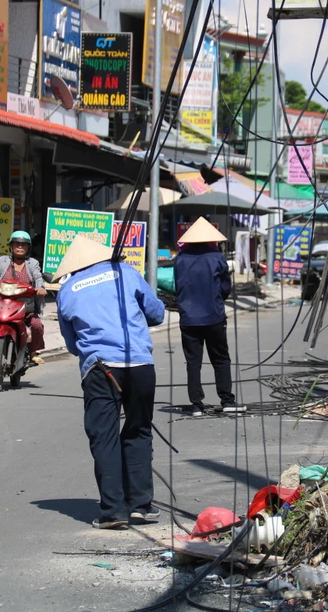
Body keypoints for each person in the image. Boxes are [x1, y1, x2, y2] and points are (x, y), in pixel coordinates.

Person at [55, 235, 166, 530]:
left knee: (104, 437)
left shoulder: (67, 290)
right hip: (140, 364)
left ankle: (114, 510)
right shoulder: (126, 273)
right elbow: (156, 313)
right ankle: (141, 505)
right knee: (139, 431)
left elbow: (72, 344)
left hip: (100, 368)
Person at [174, 218, 244, 417]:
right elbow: (225, 287)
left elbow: (178, 286)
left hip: (188, 318)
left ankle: (196, 405)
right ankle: (227, 400)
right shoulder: (216, 257)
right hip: (213, 315)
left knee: (193, 362)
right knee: (221, 359)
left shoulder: (180, 258)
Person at [0, 231, 47, 364]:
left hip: (25, 308)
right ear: (11, 246)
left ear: (28, 247)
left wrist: (41, 289)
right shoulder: (2, 261)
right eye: (17, 244)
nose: (20, 247)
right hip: (1, 304)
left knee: (36, 325)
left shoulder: (33, 263)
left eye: (23, 245)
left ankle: (33, 352)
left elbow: (38, 277)